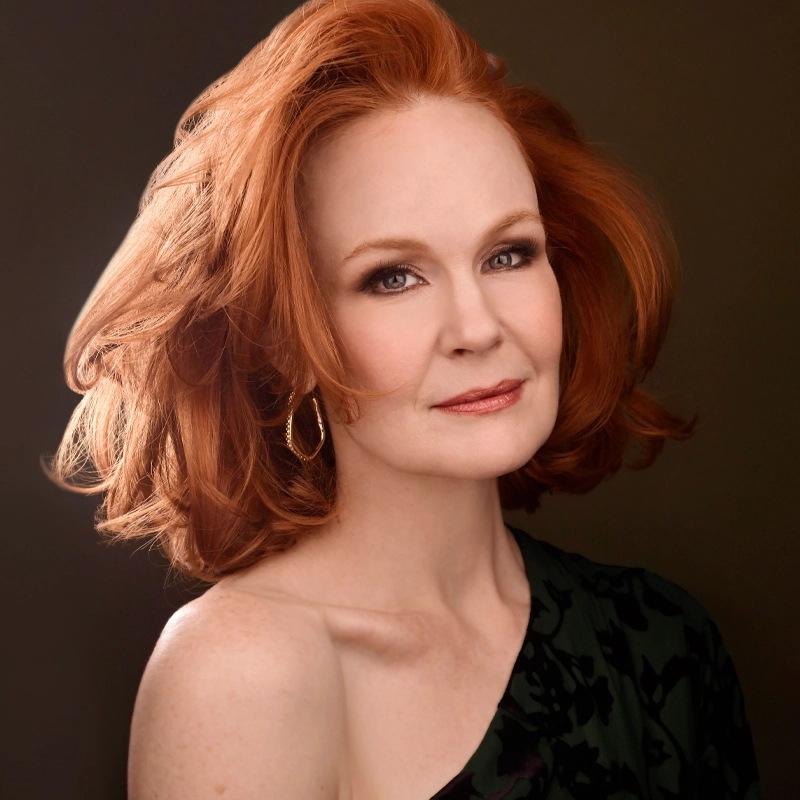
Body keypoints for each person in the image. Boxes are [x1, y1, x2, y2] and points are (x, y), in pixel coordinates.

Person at [49, 0, 761, 797]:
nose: (476, 328)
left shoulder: (665, 644)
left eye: (508, 254)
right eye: (393, 276)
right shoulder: (243, 675)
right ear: (286, 338)